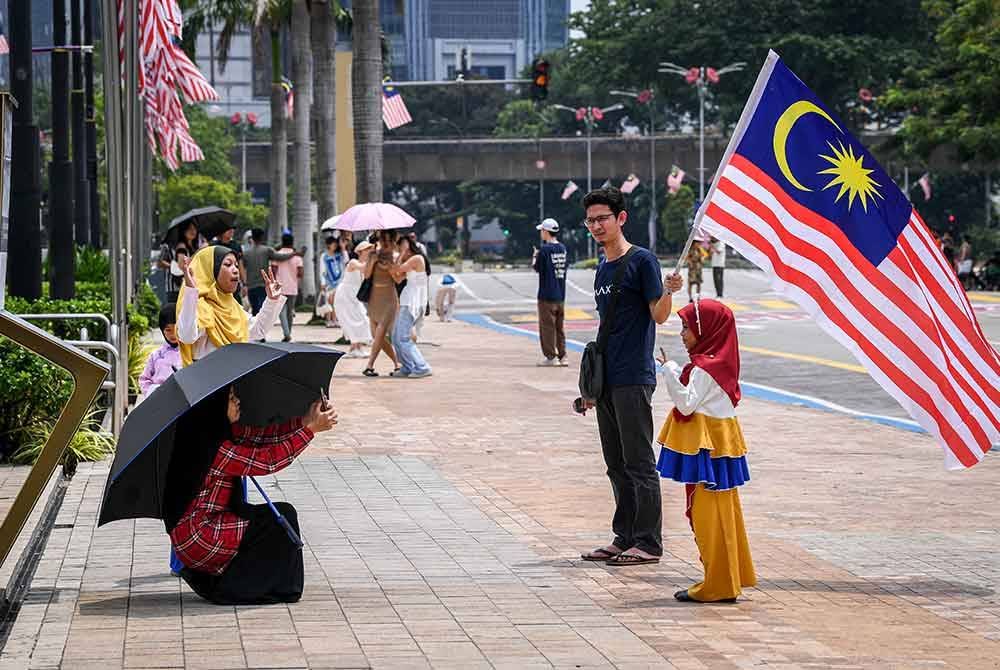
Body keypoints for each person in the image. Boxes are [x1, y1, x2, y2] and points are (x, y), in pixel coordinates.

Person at [577, 187, 682, 567]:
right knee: (615, 462)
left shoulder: (642, 261)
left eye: (603, 218)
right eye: (590, 220)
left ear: (621, 218)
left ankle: (648, 542)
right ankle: (624, 536)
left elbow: (658, 315)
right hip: (607, 377)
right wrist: (592, 385)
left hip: (634, 375)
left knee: (638, 461)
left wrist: (669, 292)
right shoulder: (603, 267)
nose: (596, 226)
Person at [166, 386, 338, 605]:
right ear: (215, 405)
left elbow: (264, 438)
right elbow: (268, 461)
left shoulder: (214, 430)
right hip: (200, 535)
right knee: (276, 524)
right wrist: (310, 431)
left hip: (201, 527)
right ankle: (235, 589)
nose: (238, 401)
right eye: (230, 398)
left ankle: (248, 584)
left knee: (279, 515)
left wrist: (304, 422)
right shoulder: (212, 446)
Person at [655, 299, 756, 602]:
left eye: (687, 326)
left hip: (708, 446)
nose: (682, 334)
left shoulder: (704, 368)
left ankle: (718, 583)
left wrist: (669, 370)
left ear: (705, 329)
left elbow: (686, 404)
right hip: (720, 443)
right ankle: (729, 576)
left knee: (707, 515)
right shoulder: (722, 363)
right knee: (724, 511)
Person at [176, 245, 286, 366]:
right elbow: (187, 336)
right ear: (210, 270)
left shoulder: (232, 306)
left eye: (236, 266)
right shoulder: (199, 305)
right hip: (207, 379)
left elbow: (258, 330)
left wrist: (272, 300)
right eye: (228, 265)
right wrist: (191, 293)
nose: (235, 270)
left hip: (233, 376)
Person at [389, 236, 432, 378]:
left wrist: (400, 255)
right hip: (407, 301)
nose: (401, 250)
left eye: (403, 246)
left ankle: (421, 366)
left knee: (403, 337)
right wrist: (394, 267)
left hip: (412, 302)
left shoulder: (417, 258)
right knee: (395, 336)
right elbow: (397, 278)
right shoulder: (408, 261)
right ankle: (407, 366)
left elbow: (398, 269)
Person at [362, 230, 401, 377]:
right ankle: (397, 363)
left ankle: (369, 365)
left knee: (380, 332)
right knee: (376, 335)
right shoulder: (373, 255)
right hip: (374, 297)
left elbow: (398, 280)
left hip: (389, 298)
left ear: (393, 242)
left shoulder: (396, 257)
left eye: (388, 240)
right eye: (382, 239)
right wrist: (373, 261)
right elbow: (366, 275)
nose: (385, 243)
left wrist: (391, 267)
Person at [532, 218, 568, 367]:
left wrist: (535, 256)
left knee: (547, 327)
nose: (541, 233)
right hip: (560, 294)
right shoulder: (563, 248)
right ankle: (563, 355)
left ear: (546, 232)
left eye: (542, 230)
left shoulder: (544, 250)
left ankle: (551, 357)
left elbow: (537, 268)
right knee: (559, 327)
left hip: (546, 295)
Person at [243, 229, 296, 319]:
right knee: (262, 309)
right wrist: (293, 254)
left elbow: (243, 267)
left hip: (251, 285)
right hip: (263, 284)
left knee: (255, 309)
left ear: (252, 237)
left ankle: (256, 328)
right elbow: (280, 257)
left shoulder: (246, 253)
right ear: (262, 237)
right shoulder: (266, 250)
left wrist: (244, 283)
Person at [334, 240, 374, 358]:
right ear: (361, 252)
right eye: (368, 250)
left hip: (355, 296)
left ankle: (357, 347)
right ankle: (355, 347)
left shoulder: (366, 264)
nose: (370, 252)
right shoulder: (353, 262)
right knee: (351, 320)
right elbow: (362, 268)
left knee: (361, 319)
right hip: (345, 295)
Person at [138, 304, 182, 400]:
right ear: (162, 330)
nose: (173, 334)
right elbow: (144, 379)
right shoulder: (156, 355)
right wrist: (153, 391)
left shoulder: (188, 354)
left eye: (176, 329)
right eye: (168, 330)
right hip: (159, 399)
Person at [272, 233, 304, 343]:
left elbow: (273, 270)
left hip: (279, 286)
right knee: (290, 311)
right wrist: (297, 282)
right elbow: (300, 273)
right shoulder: (297, 257)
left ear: (282, 241)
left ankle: (286, 333)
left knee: (281, 311)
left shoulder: (277, 255)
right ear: (292, 242)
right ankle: (288, 333)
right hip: (292, 287)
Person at [319, 235, 346, 328]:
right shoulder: (324, 256)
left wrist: (343, 248)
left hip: (339, 281)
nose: (334, 246)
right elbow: (322, 270)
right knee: (328, 301)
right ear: (328, 245)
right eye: (333, 244)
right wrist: (322, 283)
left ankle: (335, 319)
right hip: (328, 282)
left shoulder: (339, 255)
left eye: (335, 244)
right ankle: (329, 320)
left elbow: (346, 261)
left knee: (335, 301)